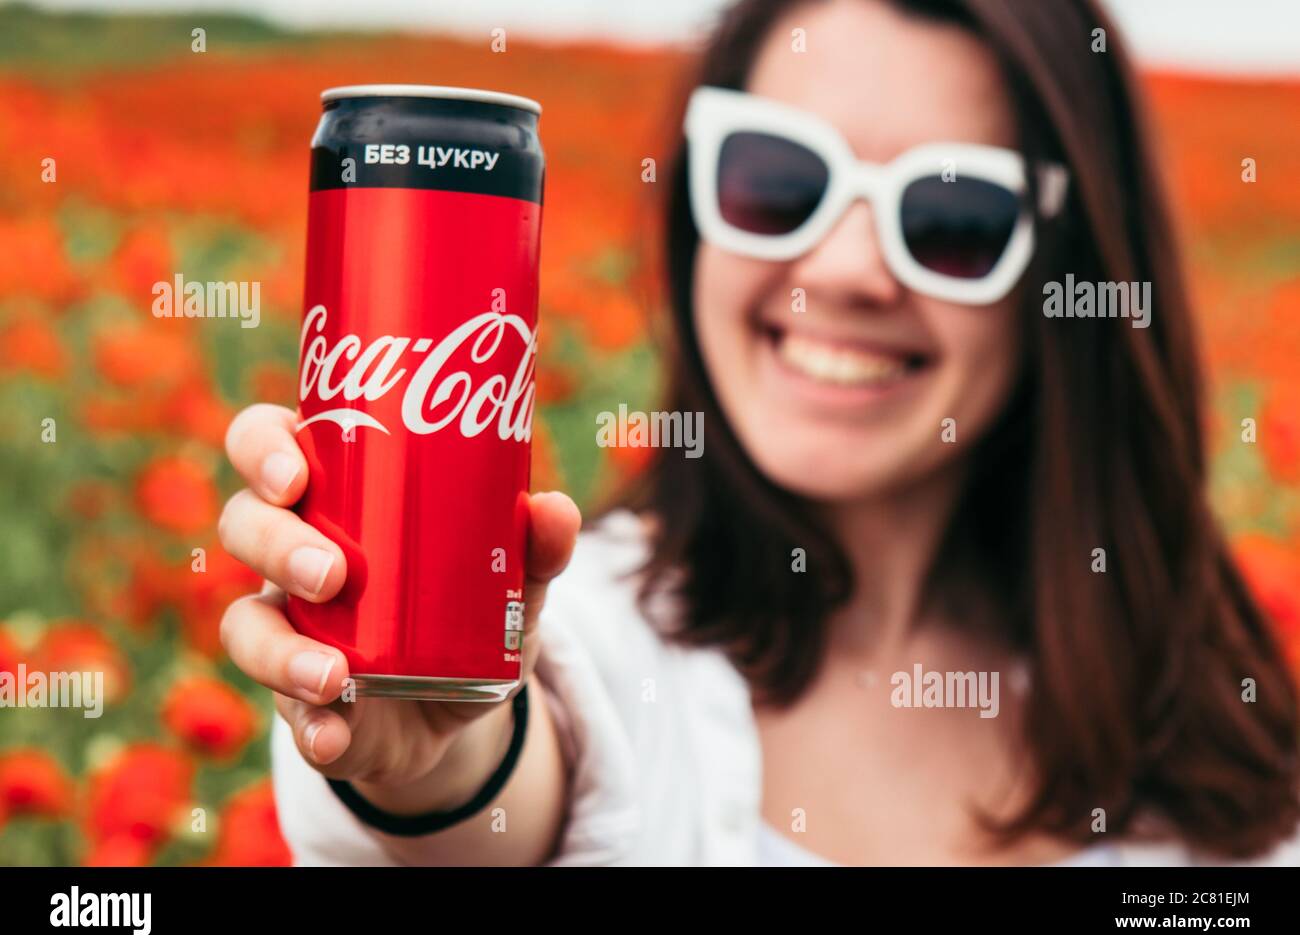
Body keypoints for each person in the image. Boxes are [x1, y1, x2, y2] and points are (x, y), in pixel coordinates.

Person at [217, 0, 1300, 865]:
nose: (842, 269)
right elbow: (505, 780)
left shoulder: (1216, 741)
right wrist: (428, 764)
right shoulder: (595, 641)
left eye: (951, 216)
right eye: (777, 180)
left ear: (1066, 275)